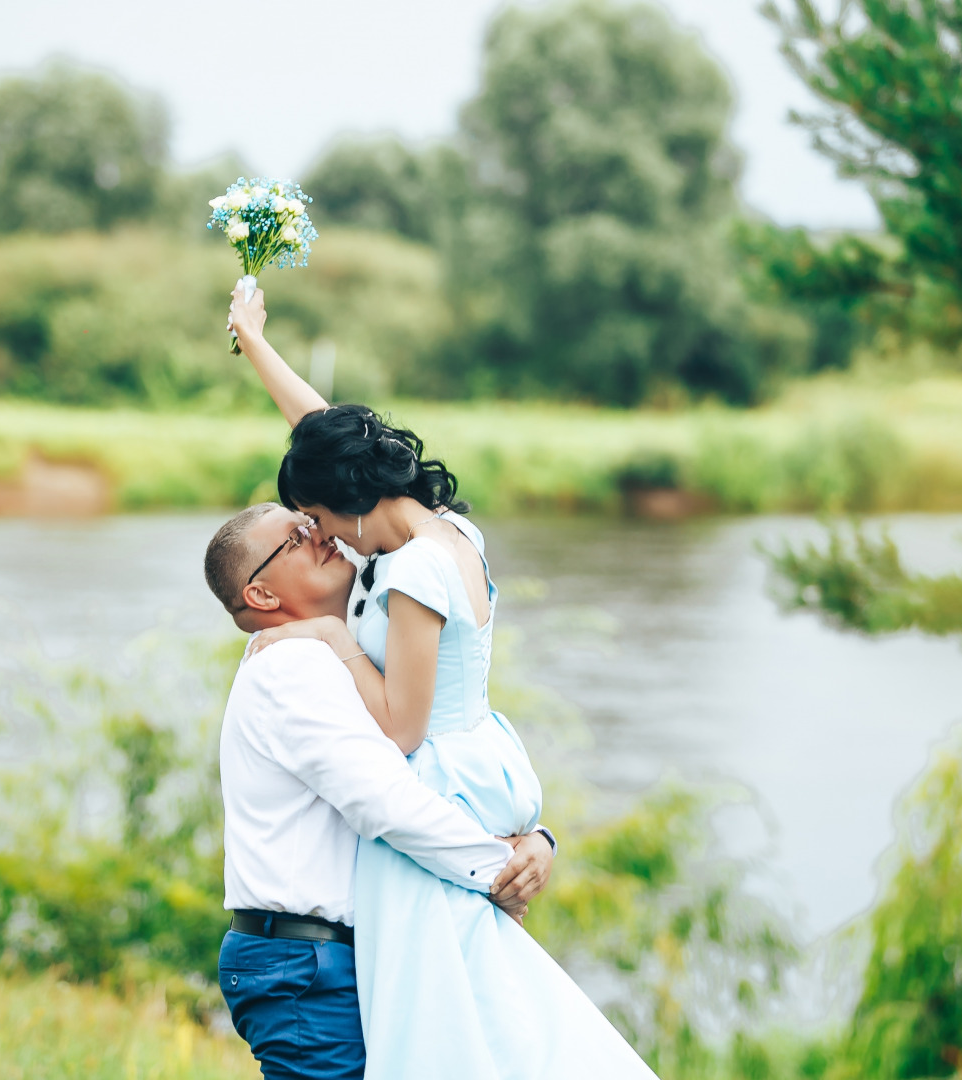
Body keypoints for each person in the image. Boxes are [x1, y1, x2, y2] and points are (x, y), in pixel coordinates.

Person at [227, 286, 657, 1078]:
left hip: (438, 773)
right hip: (481, 764)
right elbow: (322, 435)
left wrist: (327, 633)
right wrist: (255, 343)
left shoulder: (414, 573)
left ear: (349, 506)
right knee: (479, 1002)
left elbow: (399, 731)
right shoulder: (445, 528)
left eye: (316, 519)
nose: (317, 535)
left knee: (438, 1023)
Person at [203, 501, 557, 1080]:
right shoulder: (292, 667)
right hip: (305, 964)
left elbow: (433, 774)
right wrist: (502, 871)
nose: (317, 534)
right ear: (262, 596)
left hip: (342, 954)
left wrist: (535, 840)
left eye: (311, 523)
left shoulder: (339, 657)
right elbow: (386, 803)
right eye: (295, 537)